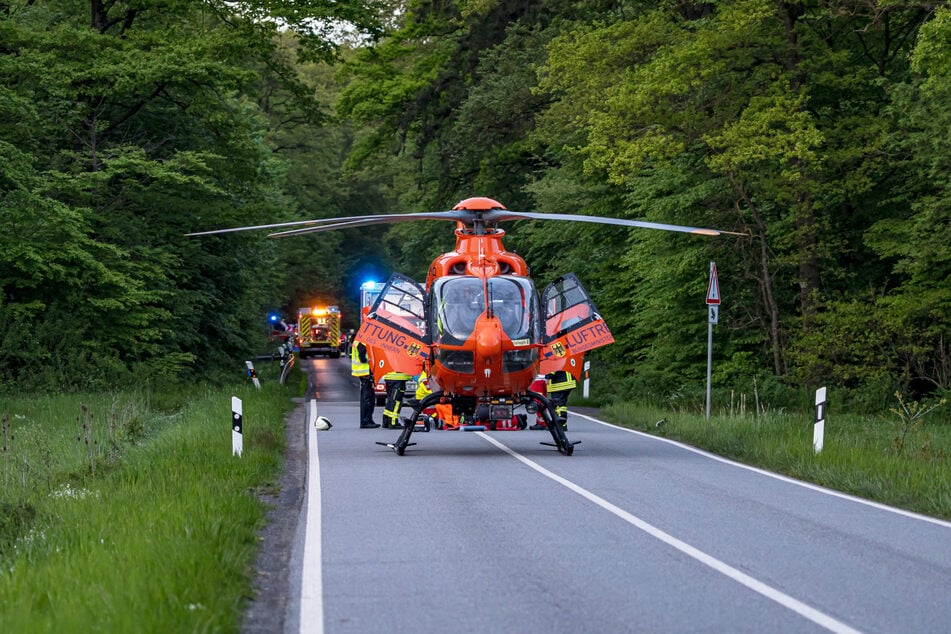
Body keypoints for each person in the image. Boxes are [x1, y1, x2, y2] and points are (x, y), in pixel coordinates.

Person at [351, 340, 379, 428]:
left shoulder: (359, 341)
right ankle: (365, 421)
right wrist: (371, 360)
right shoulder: (362, 342)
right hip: (365, 373)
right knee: (367, 398)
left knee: (369, 398)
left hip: (364, 373)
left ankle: (368, 420)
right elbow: (363, 358)